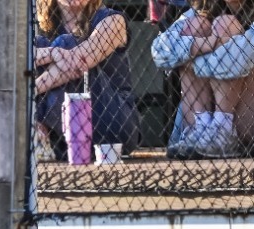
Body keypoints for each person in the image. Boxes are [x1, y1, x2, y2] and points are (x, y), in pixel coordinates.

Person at [34, 0, 141, 162]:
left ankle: (38, 132)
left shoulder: (113, 19)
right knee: (38, 43)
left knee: (66, 43)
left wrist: (30, 90)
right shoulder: (44, 27)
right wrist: (52, 53)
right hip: (61, 131)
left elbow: (78, 62)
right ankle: (42, 137)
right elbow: (19, 59)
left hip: (111, 121)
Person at [155, 0, 254, 159]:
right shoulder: (204, 8)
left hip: (247, 119)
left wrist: (193, 57)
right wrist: (208, 43)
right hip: (198, 121)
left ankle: (222, 128)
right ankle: (202, 128)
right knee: (195, 26)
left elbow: (237, 62)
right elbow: (159, 51)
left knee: (226, 25)